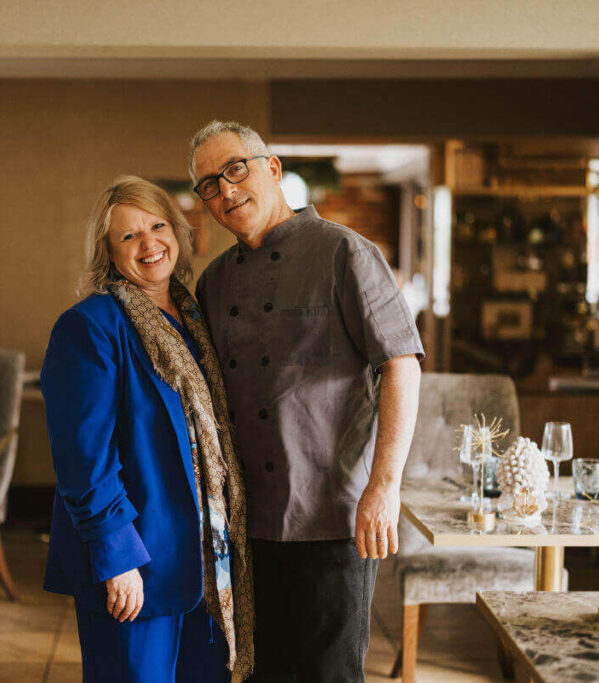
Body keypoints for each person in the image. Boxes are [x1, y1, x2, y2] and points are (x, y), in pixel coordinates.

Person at [189, 121, 424, 682]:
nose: (224, 190)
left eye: (235, 169)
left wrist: (384, 485)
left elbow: (402, 366)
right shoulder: (214, 282)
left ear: (271, 169)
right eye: (207, 184)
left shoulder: (345, 252)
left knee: (329, 675)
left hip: (333, 517)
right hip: (249, 522)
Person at [40, 176, 254, 682]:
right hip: (137, 565)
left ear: (177, 232)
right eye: (129, 236)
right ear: (108, 253)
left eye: (157, 226)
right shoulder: (90, 325)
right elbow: (83, 461)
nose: (149, 243)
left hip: (205, 558)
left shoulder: (196, 318)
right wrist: (117, 559)